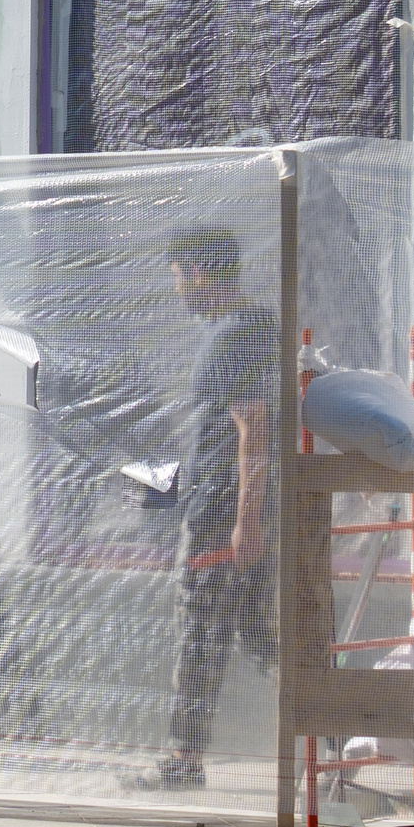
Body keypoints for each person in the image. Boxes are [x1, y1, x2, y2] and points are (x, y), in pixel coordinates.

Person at [129, 228, 280, 793]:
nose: (177, 291)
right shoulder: (257, 325)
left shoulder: (232, 337)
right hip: (234, 509)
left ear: (194, 272)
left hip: (223, 515)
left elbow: (253, 430)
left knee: (200, 634)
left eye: (177, 277)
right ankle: (328, 747)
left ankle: (184, 760)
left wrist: (247, 520)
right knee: (259, 636)